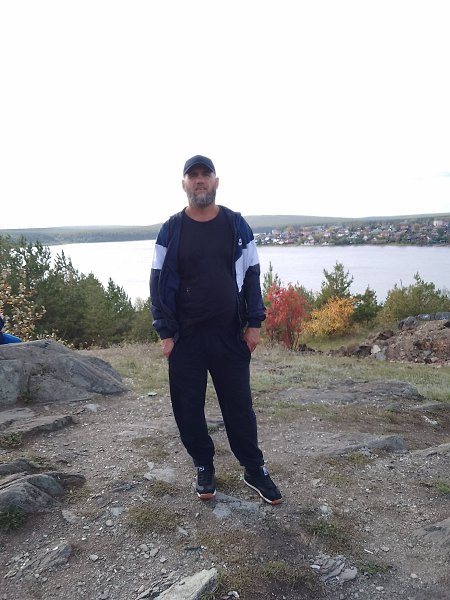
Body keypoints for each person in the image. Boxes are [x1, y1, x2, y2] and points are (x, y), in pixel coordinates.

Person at [150, 155, 282, 505]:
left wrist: (254, 325)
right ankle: (203, 465)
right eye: (192, 175)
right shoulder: (171, 230)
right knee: (188, 408)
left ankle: (253, 468)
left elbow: (252, 275)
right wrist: (166, 334)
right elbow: (157, 282)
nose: (199, 180)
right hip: (186, 339)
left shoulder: (236, 225)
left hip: (230, 336)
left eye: (205, 174)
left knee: (239, 408)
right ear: (184, 184)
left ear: (216, 181)